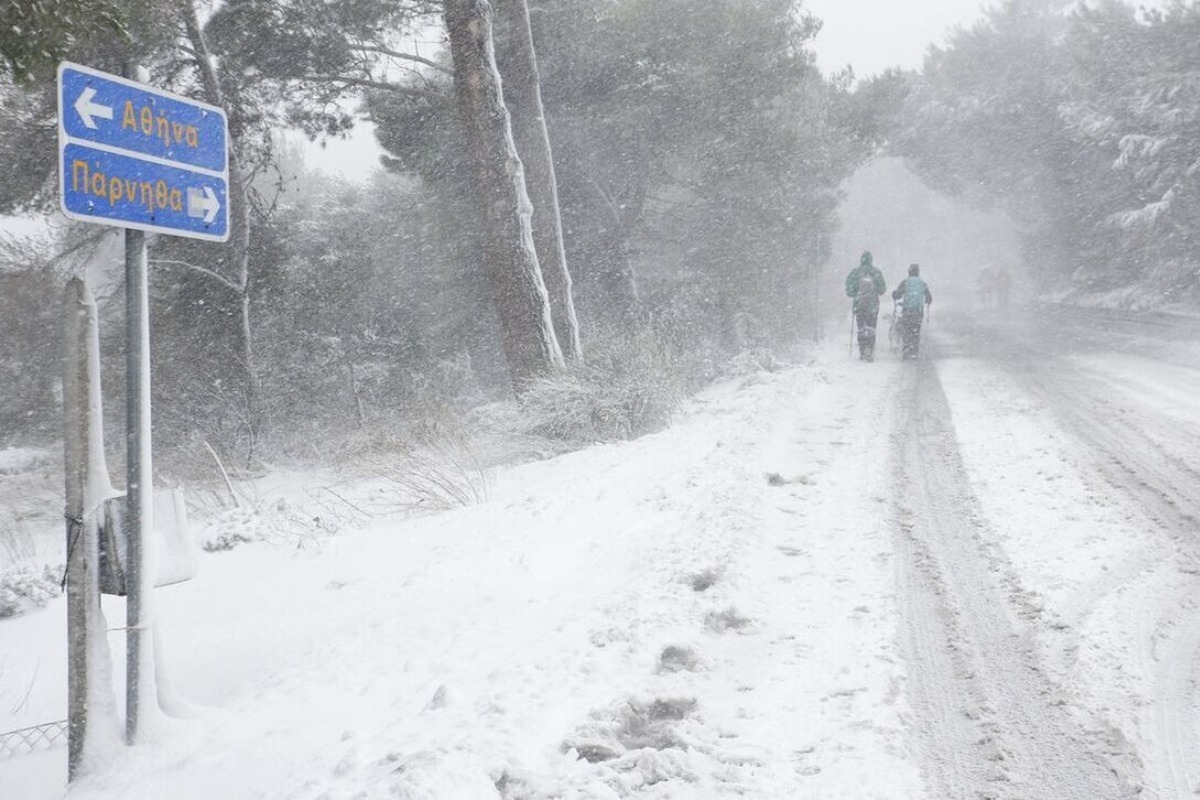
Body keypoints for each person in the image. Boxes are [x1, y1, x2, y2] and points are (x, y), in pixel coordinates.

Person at [844, 251, 886, 361]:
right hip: (873, 306)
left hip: (859, 305)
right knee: (871, 328)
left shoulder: (856, 272)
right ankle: (870, 351)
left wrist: (854, 293)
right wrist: (876, 290)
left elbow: (849, 289)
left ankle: (862, 351)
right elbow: (882, 290)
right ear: (871, 260)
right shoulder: (876, 272)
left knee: (861, 328)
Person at [892, 263, 933, 360]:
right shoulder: (922, 283)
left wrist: (894, 294)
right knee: (916, 330)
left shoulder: (905, 282)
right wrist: (927, 300)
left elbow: (898, 295)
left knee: (906, 329)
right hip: (918, 311)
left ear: (909, 272)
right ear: (918, 272)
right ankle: (914, 351)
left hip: (907, 310)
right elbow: (929, 297)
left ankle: (906, 348)